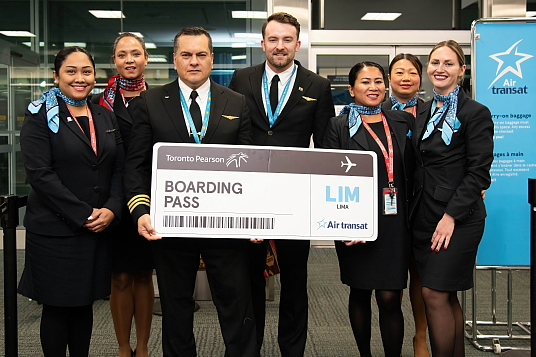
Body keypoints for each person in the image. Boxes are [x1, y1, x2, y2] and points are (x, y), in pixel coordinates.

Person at [123, 27, 256, 357]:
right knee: (175, 306)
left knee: (236, 305)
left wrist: (257, 216)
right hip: (171, 226)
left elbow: (251, 166)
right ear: (174, 60)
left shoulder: (236, 102)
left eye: (200, 55)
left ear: (212, 59)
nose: (193, 61)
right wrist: (141, 211)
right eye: (186, 55)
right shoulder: (150, 102)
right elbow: (136, 165)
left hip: (227, 226)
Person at [228, 12, 335, 357]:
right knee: (249, 280)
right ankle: (250, 349)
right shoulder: (241, 79)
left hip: (295, 198)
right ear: (262, 43)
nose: (280, 46)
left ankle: (293, 350)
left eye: (287, 40)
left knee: (294, 281)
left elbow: (326, 145)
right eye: (273, 39)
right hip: (251, 195)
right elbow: (229, 138)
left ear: (297, 44)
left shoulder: (317, 86)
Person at [18, 46, 124, 356]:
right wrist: (86, 214)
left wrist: (112, 208)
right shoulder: (39, 115)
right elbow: (40, 175)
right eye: (71, 71)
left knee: (83, 304)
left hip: (97, 228)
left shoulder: (104, 114)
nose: (80, 78)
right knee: (57, 307)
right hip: (56, 230)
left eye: (86, 71)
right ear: (56, 75)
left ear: (95, 75)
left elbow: (118, 167)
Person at [323, 61, 414, 357]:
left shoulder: (401, 121)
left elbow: (415, 170)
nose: (372, 87)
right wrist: (344, 223)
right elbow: (329, 177)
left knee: (390, 297)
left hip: (395, 222)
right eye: (364, 82)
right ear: (351, 90)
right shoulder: (339, 126)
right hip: (355, 222)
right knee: (360, 291)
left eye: (377, 81)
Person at [410, 40, 493, 356]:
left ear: (462, 69)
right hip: (424, 216)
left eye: (448, 63)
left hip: (458, 218)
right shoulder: (423, 111)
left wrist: (450, 217)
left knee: (433, 293)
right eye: (434, 62)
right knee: (445, 295)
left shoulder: (476, 113)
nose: (439, 69)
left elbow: (479, 173)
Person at [93, 32, 154, 357]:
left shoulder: (160, 100)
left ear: (145, 58)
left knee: (144, 275)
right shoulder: (98, 104)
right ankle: (122, 347)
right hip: (113, 201)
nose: (129, 60)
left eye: (135, 53)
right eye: (122, 54)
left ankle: (142, 348)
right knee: (119, 278)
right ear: (114, 61)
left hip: (147, 201)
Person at [383, 53, 430, 357]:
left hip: (425, 202)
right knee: (393, 276)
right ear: (389, 78)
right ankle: (394, 342)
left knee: (422, 274)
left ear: (420, 78)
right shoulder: (376, 110)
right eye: (398, 72)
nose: (405, 77)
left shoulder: (434, 111)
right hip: (390, 206)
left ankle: (421, 337)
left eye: (411, 72)